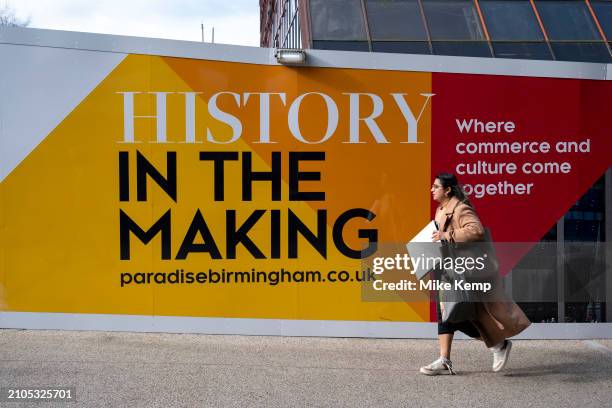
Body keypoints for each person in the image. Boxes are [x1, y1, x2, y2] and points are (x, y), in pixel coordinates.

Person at [419, 173, 531, 375]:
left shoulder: (461, 208)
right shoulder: (441, 209)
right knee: (445, 314)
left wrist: (447, 235)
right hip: (448, 268)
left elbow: (476, 230)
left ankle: (498, 344)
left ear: (447, 190)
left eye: (436, 186)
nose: (432, 190)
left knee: (456, 315)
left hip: (464, 271)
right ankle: (445, 359)